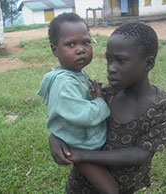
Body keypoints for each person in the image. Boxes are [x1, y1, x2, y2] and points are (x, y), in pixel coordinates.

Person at [49, 22, 166, 194]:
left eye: (120, 61)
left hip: (126, 186)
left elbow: (141, 153)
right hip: (82, 186)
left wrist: (81, 155)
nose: (110, 69)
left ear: (148, 64)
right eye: (109, 60)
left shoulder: (163, 106)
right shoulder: (103, 96)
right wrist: (54, 137)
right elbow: (71, 117)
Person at [38, 13, 119, 194]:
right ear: (55, 50)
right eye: (71, 44)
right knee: (110, 189)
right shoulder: (64, 83)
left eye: (86, 42)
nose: (81, 49)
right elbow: (84, 115)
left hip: (81, 139)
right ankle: (82, 162)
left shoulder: (76, 73)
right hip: (79, 145)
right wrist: (99, 100)